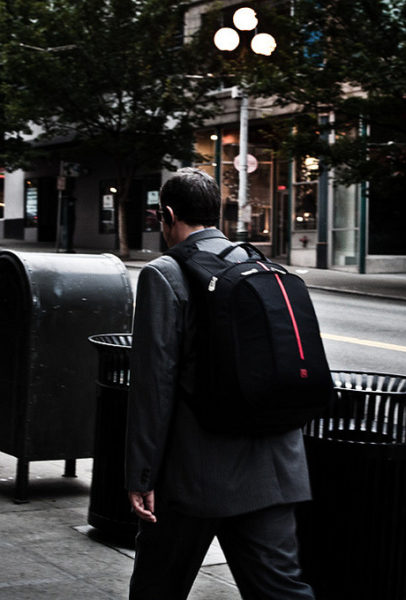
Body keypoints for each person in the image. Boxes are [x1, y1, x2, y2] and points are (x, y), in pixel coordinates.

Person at [125, 167, 315, 600]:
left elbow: (154, 388)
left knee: (156, 587)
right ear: (217, 212)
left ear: (166, 215)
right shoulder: (263, 266)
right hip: (274, 469)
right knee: (281, 590)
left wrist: (140, 475)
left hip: (194, 476)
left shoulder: (164, 274)